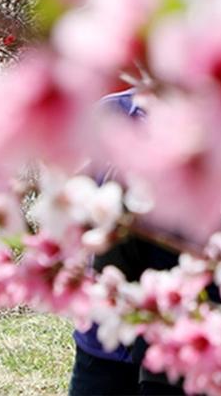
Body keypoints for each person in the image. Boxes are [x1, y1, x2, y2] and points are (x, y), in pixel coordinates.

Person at [70, 91, 187, 396]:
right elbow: (79, 206)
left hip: (174, 340)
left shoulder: (213, 126)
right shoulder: (110, 113)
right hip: (103, 343)